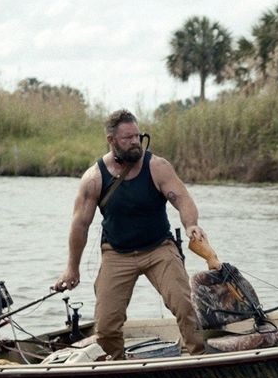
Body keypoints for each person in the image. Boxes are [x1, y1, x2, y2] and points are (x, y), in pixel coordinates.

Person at [54, 109, 206, 358]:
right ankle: (116, 365)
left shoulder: (157, 167)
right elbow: (80, 225)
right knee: (106, 325)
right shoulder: (94, 178)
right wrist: (72, 268)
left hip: (159, 249)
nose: (136, 142)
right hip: (117, 253)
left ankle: (199, 357)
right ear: (111, 140)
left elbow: (182, 199)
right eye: (128, 138)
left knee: (184, 305)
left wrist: (191, 225)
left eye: (138, 136)